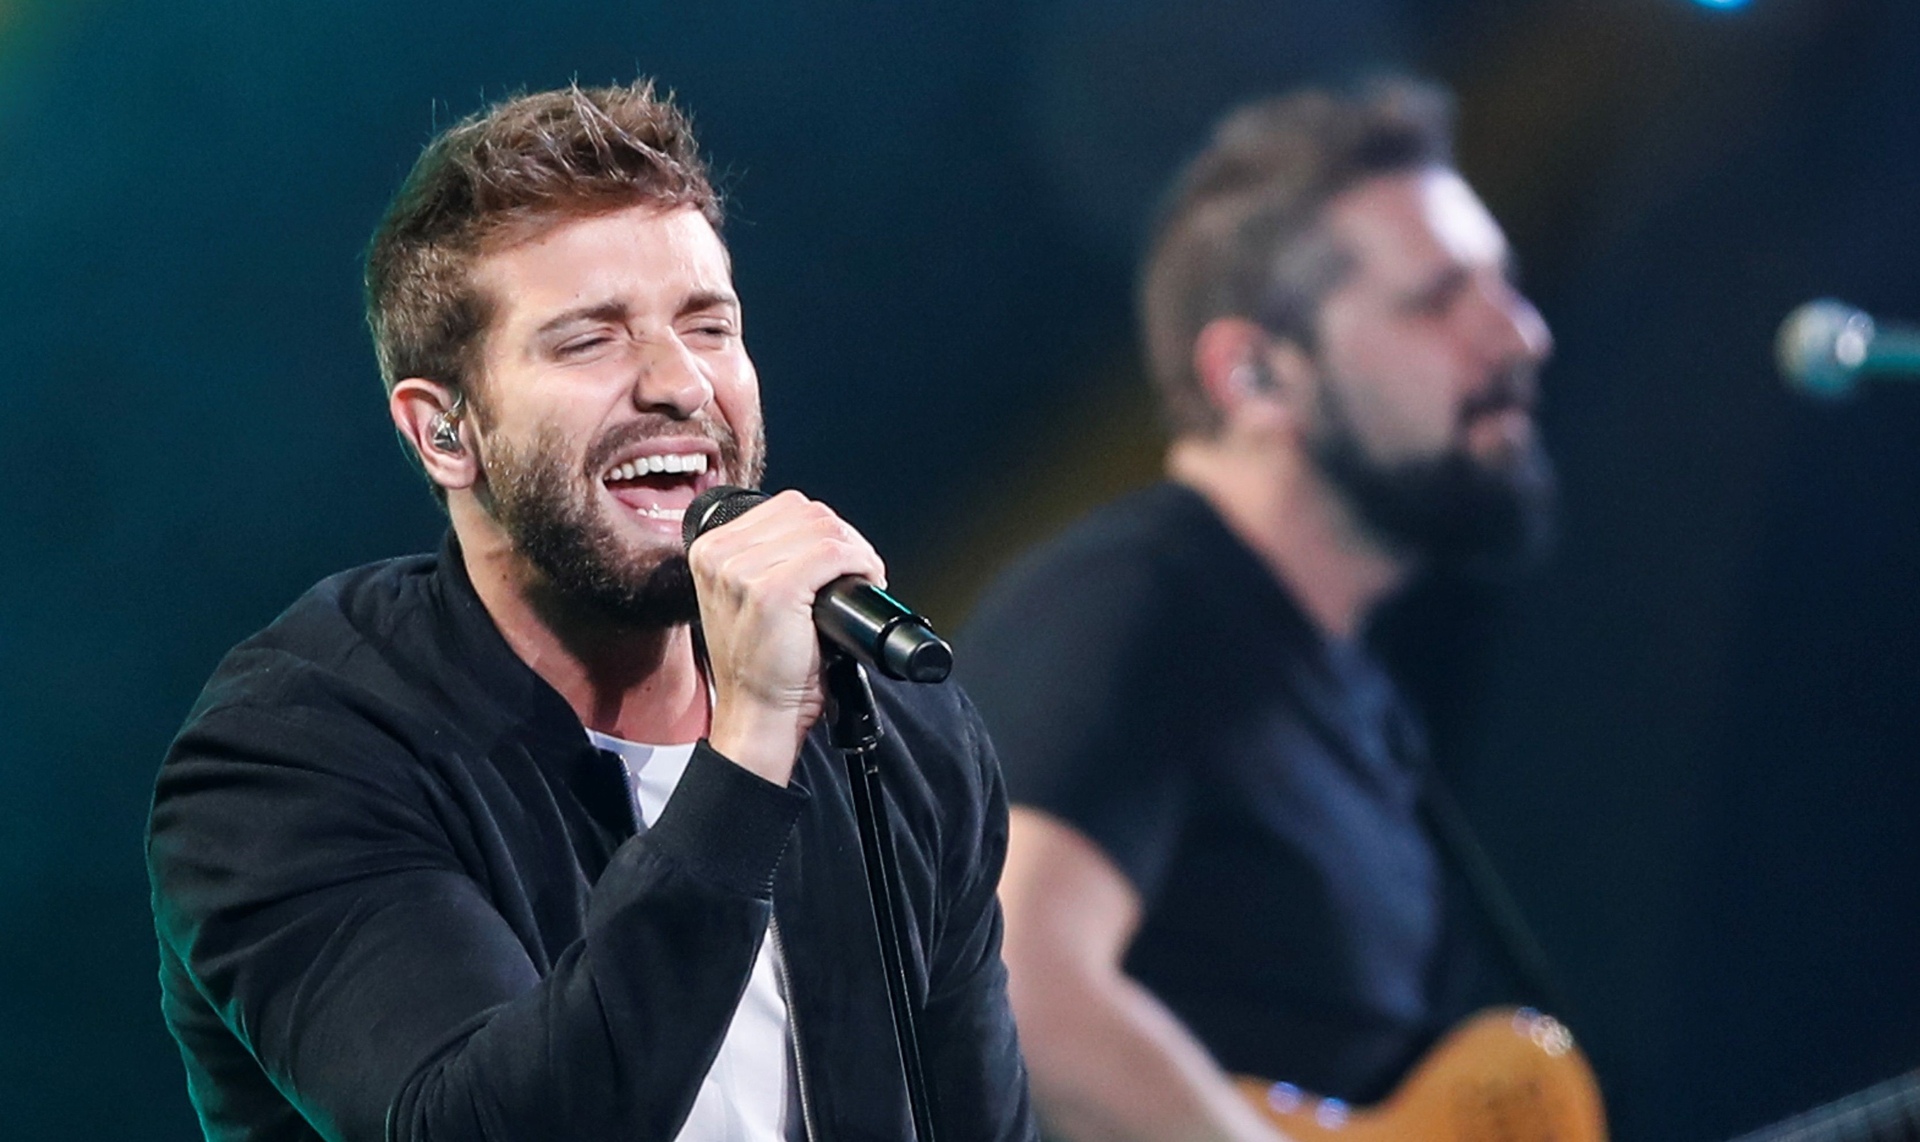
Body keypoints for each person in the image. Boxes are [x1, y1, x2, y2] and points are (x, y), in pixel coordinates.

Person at [146, 80, 1034, 1142]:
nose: (681, 384)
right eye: (589, 340)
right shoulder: (290, 759)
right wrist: (749, 746)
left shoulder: (891, 730)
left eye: (709, 325)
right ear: (443, 433)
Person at [958, 80, 1558, 1142]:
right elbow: (1014, 981)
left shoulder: (1358, 703)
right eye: (1437, 300)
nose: (1520, 334)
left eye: (1503, 286)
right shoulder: (1133, 605)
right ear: (1253, 374)